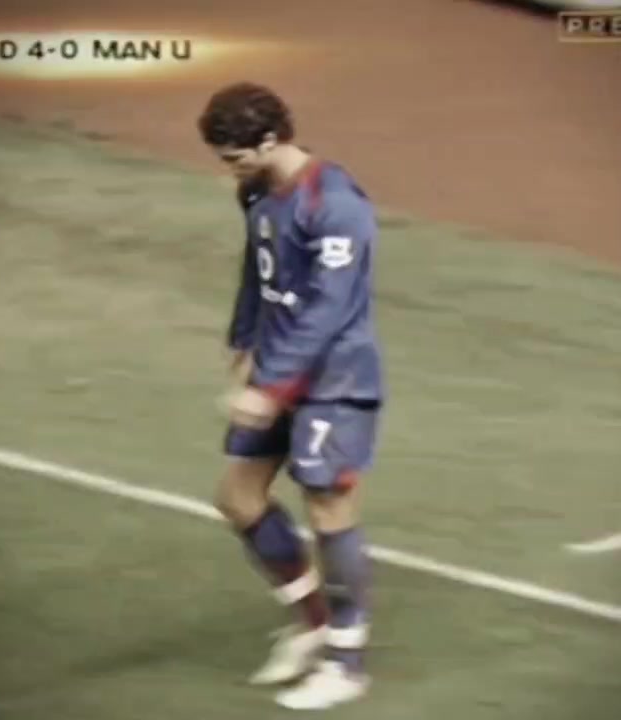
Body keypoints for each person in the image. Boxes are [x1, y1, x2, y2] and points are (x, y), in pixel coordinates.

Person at [197, 82, 384, 711]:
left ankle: (346, 664)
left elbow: (330, 309)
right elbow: (258, 267)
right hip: (276, 365)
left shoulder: (336, 205)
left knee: (328, 506)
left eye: (234, 157)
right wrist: (243, 341)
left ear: (271, 140)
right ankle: (313, 624)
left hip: (334, 378)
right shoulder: (257, 190)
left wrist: (272, 387)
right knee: (238, 498)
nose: (229, 169)